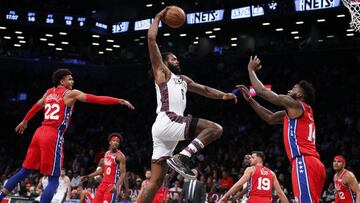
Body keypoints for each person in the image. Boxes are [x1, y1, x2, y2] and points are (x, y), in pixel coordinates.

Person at [138, 7, 237, 203]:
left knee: (155, 182)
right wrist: (158, 17)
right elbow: (151, 40)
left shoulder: (182, 79)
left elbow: (205, 90)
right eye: (173, 58)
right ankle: (183, 157)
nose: (177, 59)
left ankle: (180, 157)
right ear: (165, 62)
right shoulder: (162, 72)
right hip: (169, 119)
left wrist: (223, 95)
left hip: (163, 130)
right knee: (215, 128)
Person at [0, 68, 134, 203]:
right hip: (53, 134)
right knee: (54, 180)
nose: (73, 81)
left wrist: (25, 121)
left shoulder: (49, 92)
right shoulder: (70, 94)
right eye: (70, 79)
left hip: (39, 132)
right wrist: (118, 100)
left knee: (24, 171)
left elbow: (36, 106)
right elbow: (96, 99)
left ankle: (0, 197)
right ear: (62, 81)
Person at [237, 56, 326, 202]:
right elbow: (270, 118)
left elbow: (261, 91)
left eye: (295, 87)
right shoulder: (301, 112)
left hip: (304, 161)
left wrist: (250, 70)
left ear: (300, 94)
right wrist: (250, 100)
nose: (291, 88)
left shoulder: (295, 105)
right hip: (314, 163)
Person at [218, 151, 288, 203]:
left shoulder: (250, 169)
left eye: (253, 157)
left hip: (254, 200)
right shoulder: (272, 173)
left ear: (260, 159)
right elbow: (280, 193)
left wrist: (225, 195)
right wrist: (237, 196)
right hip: (267, 200)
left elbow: (239, 184)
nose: (250, 159)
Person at [80, 133, 127, 203]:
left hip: (112, 185)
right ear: (110, 142)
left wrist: (116, 186)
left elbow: (123, 174)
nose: (116, 142)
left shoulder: (120, 156)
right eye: (114, 140)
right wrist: (88, 176)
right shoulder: (106, 154)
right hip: (103, 184)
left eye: (117, 142)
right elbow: (102, 169)